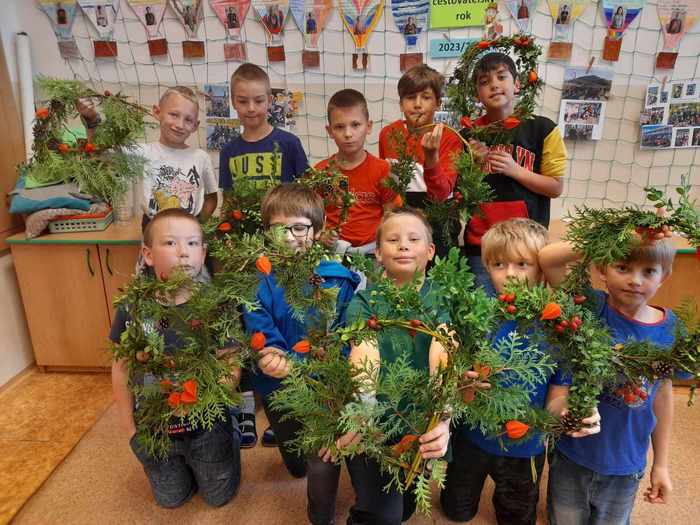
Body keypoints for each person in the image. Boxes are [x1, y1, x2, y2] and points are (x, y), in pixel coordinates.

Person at [440, 218, 600, 525]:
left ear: (541, 269)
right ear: (487, 267)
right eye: (499, 264)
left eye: (523, 264)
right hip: (471, 438)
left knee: (516, 514)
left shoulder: (557, 328)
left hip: (524, 446)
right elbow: (459, 384)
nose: (510, 274)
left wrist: (567, 412)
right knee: (456, 510)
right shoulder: (476, 316)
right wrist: (463, 383)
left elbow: (557, 394)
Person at [539, 229, 681, 525]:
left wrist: (661, 464)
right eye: (623, 267)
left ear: (664, 276)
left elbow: (662, 398)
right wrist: (614, 236)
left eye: (648, 271)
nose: (635, 280)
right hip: (572, 456)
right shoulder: (590, 305)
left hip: (625, 465)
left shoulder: (670, 330)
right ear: (603, 269)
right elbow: (548, 259)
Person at [243, 184, 360, 524]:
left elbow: (346, 337)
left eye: (299, 227)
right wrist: (270, 355)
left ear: (317, 231)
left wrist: (297, 364)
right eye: (279, 228)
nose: (290, 237)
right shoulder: (259, 280)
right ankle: (295, 459)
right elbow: (259, 325)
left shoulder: (338, 282)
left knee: (321, 460)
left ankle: (320, 516)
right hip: (277, 384)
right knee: (295, 461)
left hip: (325, 386)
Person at [327, 208, 451, 524]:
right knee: (383, 516)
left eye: (413, 239)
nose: (403, 245)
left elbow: (444, 354)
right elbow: (364, 352)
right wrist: (363, 412)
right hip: (374, 420)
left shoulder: (444, 299)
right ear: (379, 253)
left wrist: (443, 418)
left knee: (405, 506)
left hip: (419, 419)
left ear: (430, 251)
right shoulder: (364, 302)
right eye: (393, 240)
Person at [110, 208, 241, 508]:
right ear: (148, 255)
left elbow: (231, 363)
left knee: (218, 496)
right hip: (156, 423)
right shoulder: (132, 307)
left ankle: (231, 435)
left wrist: (204, 401)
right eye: (170, 243)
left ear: (203, 253)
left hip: (206, 420)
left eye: (192, 243)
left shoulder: (217, 306)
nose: (183, 252)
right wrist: (130, 430)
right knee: (171, 499)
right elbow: (121, 369)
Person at [461, 52, 566, 295]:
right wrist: (473, 166)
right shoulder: (468, 136)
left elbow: (555, 187)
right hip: (481, 246)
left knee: (525, 311)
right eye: (484, 81)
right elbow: (458, 194)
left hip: (527, 246)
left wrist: (515, 170)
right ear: (477, 93)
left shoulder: (542, 128)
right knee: (483, 311)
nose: (494, 85)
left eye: (501, 77)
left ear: (517, 84)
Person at [78, 86, 217, 227]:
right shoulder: (142, 152)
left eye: (188, 120)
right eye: (174, 115)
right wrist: (92, 120)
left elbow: (211, 197)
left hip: (189, 227)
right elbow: (100, 152)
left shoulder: (201, 157)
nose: (180, 125)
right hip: (153, 226)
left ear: (195, 126)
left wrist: (199, 226)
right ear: (157, 112)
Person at [378, 64, 463, 257]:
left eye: (426, 97)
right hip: (402, 221)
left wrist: (431, 158)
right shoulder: (388, 134)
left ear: (437, 103)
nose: (417, 104)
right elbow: (388, 184)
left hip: (439, 222)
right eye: (410, 97)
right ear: (401, 104)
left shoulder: (449, 137)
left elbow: (441, 194)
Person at [315, 89, 398, 257]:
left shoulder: (383, 170)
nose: (348, 134)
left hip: (372, 255)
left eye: (355, 125)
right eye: (339, 127)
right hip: (333, 255)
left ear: (368, 127)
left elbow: (391, 216)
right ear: (329, 131)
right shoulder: (321, 171)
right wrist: (321, 235)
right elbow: (314, 217)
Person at [219, 63, 308, 191]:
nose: (251, 108)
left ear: (270, 101)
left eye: (259, 101)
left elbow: (307, 192)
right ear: (233, 102)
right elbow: (228, 198)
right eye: (243, 101)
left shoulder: (290, 143)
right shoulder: (227, 151)